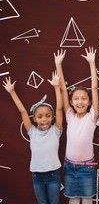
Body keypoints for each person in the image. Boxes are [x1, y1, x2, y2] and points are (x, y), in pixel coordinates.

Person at [2, 72, 63, 204]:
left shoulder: (56, 130)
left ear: (52, 117)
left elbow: (59, 109)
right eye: (40, 117)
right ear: (34, 119)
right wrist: (12, 92)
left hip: (53, 175)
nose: (44, 120)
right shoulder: (32, 132)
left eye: (47, 116)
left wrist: (57, 87)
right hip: (37, 176)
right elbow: (23, 111)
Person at [54, 47, 99, 204]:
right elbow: (62, 89)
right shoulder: (70, 116)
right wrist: (58, 65)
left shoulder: (92, 117)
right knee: (73, 201)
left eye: (83, 99)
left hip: (87, 168)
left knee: (87, 201)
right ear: (72, 102)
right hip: (70, 167)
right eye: (76, 99)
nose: (80, 102)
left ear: (88, 102)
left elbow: (94, 88)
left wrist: (92, 63)